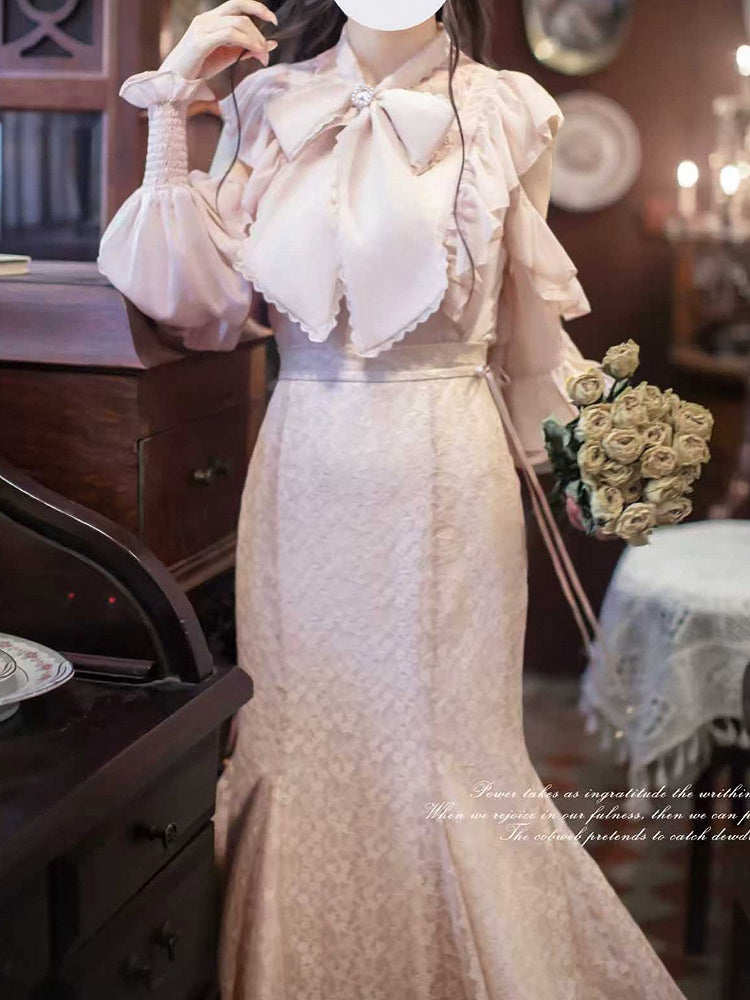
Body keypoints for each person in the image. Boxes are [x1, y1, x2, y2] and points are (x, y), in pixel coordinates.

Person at [98, 2, 687, 997]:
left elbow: (530, 334)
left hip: (447, 472)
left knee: (445, 751)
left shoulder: (512, 109)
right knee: (298, 741)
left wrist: (586, 452)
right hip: (304, 469)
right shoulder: (267, 103)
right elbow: (193, 301)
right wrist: (173, 104)